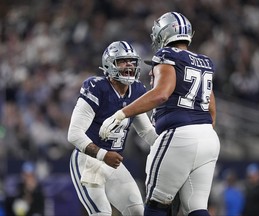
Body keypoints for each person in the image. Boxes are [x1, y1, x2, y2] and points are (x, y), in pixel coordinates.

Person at [99, 12, 221, 216]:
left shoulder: (167, 56)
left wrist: (121, 114)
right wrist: (200, 134)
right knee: (196, 207)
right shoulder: (203, 61)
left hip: (179, 134)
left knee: (156, 204)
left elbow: (162, 94)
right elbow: (212, 108)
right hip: (209, 138)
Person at [67, 40, 158, 216]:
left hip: (113, 163)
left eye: (132, 61)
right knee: (102, 213)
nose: (129, 65)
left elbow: (146, 131)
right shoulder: (96, 88)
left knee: (138, 212)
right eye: (123, 61)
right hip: (87, 160)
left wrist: (169, 146)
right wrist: (103, 155)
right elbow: (74, 134)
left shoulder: (137, 90)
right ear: (109, 64)